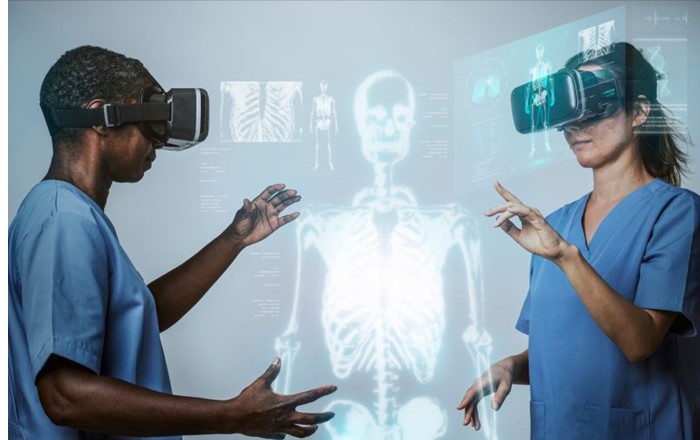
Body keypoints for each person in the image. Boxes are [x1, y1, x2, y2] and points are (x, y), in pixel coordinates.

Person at [8, 45, 336, 440]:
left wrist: (233, 239)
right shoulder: (64, 219)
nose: (159, 142)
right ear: (103, 120)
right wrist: (231, 416)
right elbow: (65, 396)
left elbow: (135, 320)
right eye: (150, 119)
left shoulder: (68, 213)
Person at [458, 42, 699, 439]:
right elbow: (565, 350)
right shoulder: (554, 226)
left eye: (596, 109)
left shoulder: (675, 214)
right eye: (572, 112)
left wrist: (567, 257)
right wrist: (513, 366)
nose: (577, 126)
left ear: (639, 113)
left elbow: (639, 342)